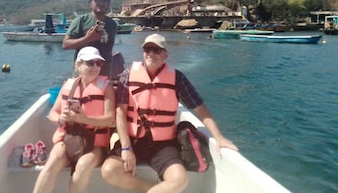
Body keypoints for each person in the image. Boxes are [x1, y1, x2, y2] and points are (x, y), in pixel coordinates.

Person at [101, 33, 238, 193]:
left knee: (180, 180)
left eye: (156, 50)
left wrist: (218, 136)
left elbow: (199, 108)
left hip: (163, 145)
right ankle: (151, 189)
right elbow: (120, 112)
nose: (151, 53)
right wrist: (126, 148)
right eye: (147, 49)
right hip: (132, 141)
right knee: (109, 170)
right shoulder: (128, 74)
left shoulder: (177, 78)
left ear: (165, 55)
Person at [33, 46, 115, 193]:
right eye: (90, 63)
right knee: (52, 163)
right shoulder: (68, 85)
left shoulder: (106, 87)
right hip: (69, 138)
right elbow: (53, 113)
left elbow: (110, 119)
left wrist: (84, 119)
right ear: (78, 65)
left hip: (95, 143)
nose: (95, 67)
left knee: (83, 165)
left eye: (98, 63)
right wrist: (61, 118)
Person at [63, 0, 118, 78]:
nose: (100, 3)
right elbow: (65, 45)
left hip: (104, 75)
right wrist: (87, 39)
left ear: (108, 3)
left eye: (104, 0)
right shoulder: (80, 21)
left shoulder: (113, 24)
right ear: (90, 3)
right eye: (97, 0)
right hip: (83, 75)